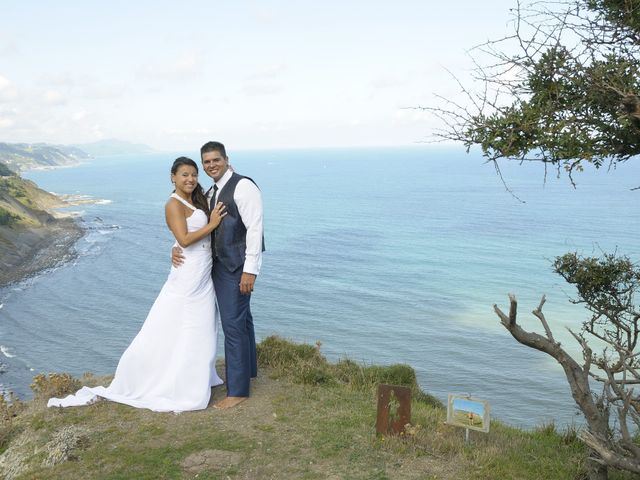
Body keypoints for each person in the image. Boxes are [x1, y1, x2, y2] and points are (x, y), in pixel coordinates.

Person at [48, 157, 227, 412]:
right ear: (172, 177)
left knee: (203, 325)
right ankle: (170, 381)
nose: (190, 179)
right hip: (187, 276)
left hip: (202, 274)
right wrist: (211, 225)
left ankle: (196, 377)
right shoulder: (172, 204)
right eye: (184, 174)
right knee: (177, 324)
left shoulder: (196, 199)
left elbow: (184, 240)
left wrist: (176, 245)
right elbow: (184, 240)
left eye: (193, 175)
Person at [172, 141, 264, 409]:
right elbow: (195, 228)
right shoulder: (210, 191)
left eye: (216, 160)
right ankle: (247, 373)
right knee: (243, 321)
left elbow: (255, 229)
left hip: (235, 268)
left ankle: (237, 392)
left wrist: (250, 270)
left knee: (233, 326)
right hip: (217, 265)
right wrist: (175, 246)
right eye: (207, 162)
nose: (211, 165)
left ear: (226, 159)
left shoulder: (243, 186)